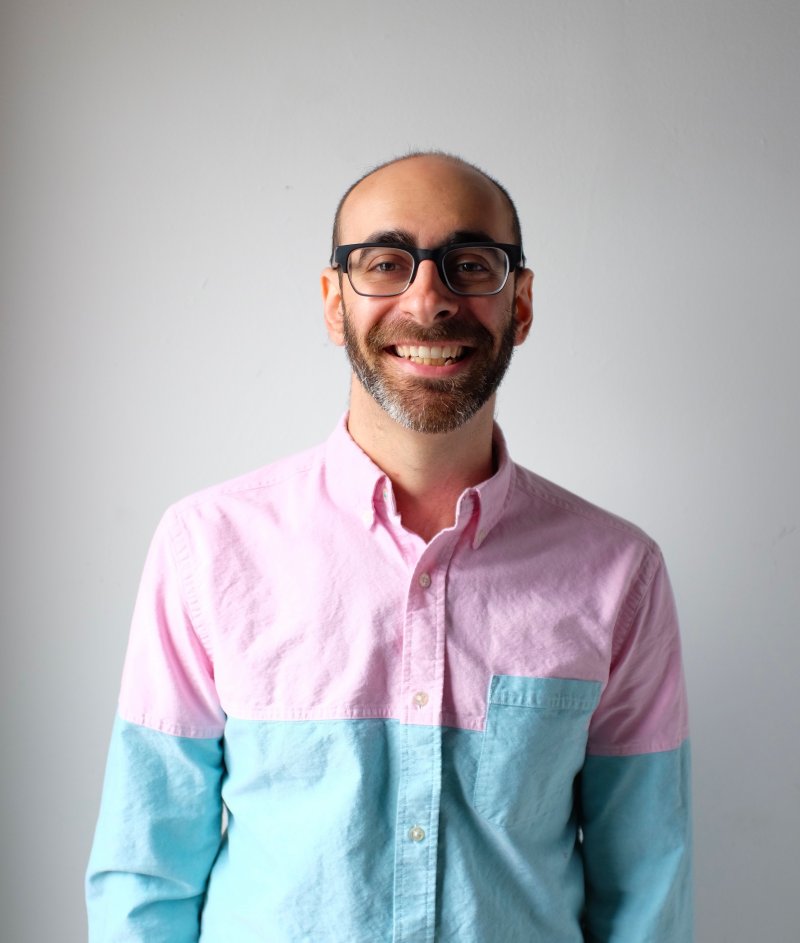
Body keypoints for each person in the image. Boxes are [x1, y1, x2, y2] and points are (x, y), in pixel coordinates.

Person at [86, 152, 692, 942]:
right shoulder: (208, 548)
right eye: (386, 263)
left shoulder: (620, 574)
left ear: (523, 302)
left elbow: (647, 889)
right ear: (335, 302)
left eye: (471, 264)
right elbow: (146, 873)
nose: (430, 297)